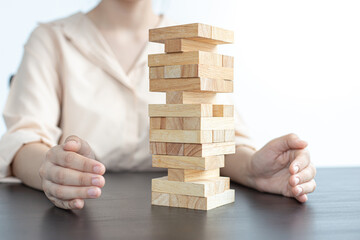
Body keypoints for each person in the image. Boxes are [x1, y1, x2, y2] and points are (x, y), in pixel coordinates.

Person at [0, 0, 316, 210]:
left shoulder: (192, 43)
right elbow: (22, 141)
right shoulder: (50, 39)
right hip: (84, 213)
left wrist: (252, 169)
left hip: (178, 213)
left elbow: (217, 139)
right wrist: (49, 169)